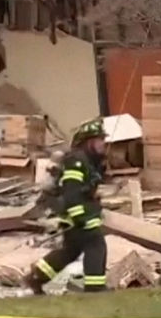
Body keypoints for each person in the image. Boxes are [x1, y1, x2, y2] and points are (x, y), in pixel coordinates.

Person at [25, 118, 107, 294]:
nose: (103, 144)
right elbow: (71, 192)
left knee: (71, 251)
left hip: (77, 212)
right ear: (89, 142)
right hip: (76, 213)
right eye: (99, 140)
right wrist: (81, 217)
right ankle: (95, 287)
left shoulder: (88, 161)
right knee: (96, 244)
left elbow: (84, 190)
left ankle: (36, 277)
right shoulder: (76, 162)